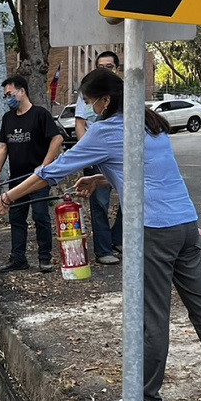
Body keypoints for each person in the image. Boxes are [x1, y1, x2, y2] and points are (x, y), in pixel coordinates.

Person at [0, 68, 201, 401]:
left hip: (153, 230)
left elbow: (51, 171)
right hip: (185, 225)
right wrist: (101, 179)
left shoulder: (107, 131)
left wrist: (7, 198)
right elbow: (146, 170)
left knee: (152, 316)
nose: (87, 110)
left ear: (106, 100)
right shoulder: (151, 123)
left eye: (89, 103)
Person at [0, 75, 64, 273]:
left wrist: (44, 166)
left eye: (10, 94)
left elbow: (57, 139)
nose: (8, 99)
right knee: (16, 218)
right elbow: (3, 147)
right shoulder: (8, 118)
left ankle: (45, 258)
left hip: (38, 179)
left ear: (22, 92)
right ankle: (18, 258)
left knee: (40, 216)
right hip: (16, 179)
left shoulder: (40, 114)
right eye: (5, 96)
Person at [74, 51, 122, 265]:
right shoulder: (88, 92)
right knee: (100, 202)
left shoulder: (125, 92)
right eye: (101, 66)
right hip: (97, 156)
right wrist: (88, 155)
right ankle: (103, 250)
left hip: (121, 156)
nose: (105, 69)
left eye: (109, 66)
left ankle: (118, 239)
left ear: (117, 68)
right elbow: (80, 124)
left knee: (130, 200)